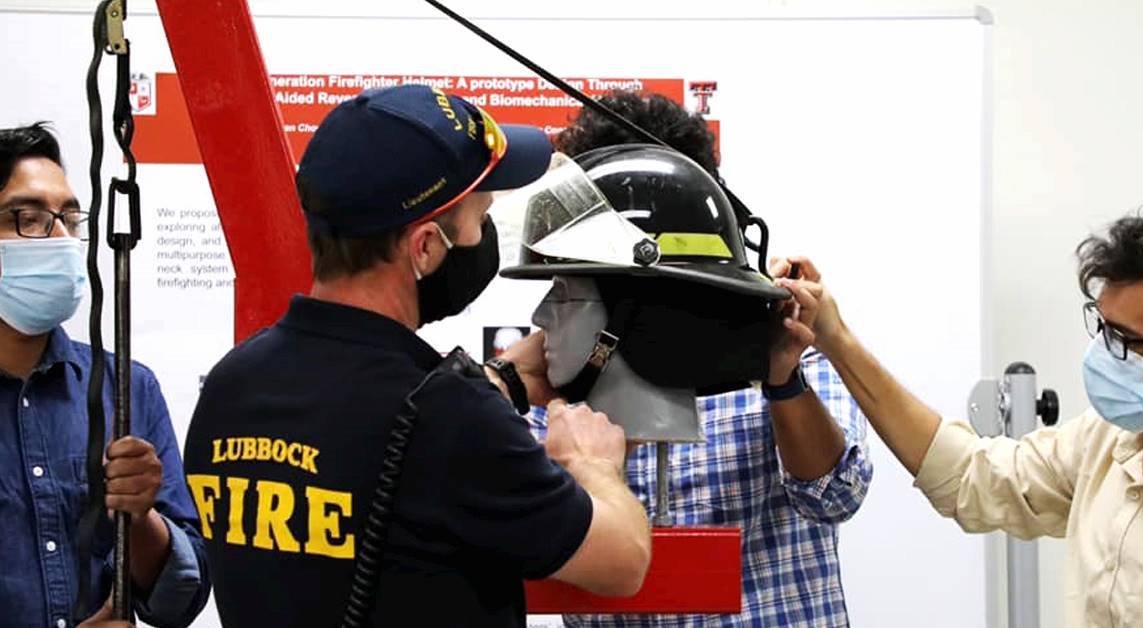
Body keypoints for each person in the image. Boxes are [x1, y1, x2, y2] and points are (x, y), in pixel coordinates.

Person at [182, 85, 651, 627]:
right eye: (481, 217)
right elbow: (623, 560)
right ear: (425, 248)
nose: (484, 237)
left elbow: (365, 446)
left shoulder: (231, 385)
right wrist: (591, 461)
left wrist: (503, 381)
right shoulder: (449, 417)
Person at [524, 91, 873, 627]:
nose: (546, 314)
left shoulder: (778, 331)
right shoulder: (554, 381)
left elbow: (834, 496)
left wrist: (781, 378)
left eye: (569, 290)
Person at [799, 193, 1143, 626]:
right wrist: (834, 336)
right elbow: (971, 476)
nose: (1103, 352)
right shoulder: (1105, 439)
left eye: (1125, 340)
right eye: (1101, 327)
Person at [0, 123, 209, 627]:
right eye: (28, 218)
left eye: (70, 219)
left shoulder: (127, 389)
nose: (62, 240)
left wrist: (140, 519)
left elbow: (181, 599)